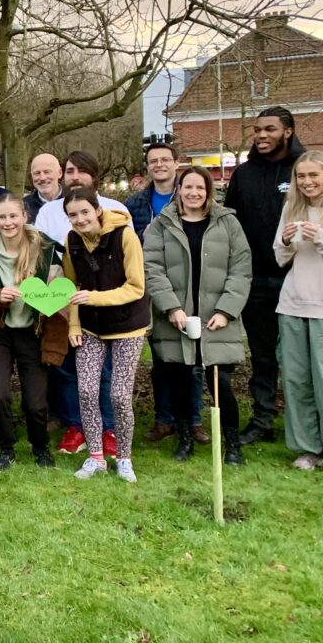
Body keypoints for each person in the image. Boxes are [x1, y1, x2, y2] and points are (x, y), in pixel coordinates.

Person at [144, 167, 250, 465]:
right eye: (187, 187)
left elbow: (241, 269)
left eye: (199, 188)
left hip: (217, 318)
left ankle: (232, 444)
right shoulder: (162, 225)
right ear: (178, 189)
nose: (193, 193)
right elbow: (152, 268)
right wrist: (171, 307)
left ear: (209, 191)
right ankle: (185, 438)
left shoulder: (228, 223)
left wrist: (227, 310)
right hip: (177, 317)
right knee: (179, 380)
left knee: (222, 384)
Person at [0, 194, 65, 470]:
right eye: (2, 217)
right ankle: (6, 447)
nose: (8, 222)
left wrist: (45, 304)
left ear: (24, 217)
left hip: (33, 332)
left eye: (13, 216)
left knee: (35, 401)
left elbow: (60, 294)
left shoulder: (45, 248)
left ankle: (40, 445)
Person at [225, 106, 306, 446]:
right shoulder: (243, 174)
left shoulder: (304, 170)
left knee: (301, 356)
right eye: (257, 129)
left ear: (287, 131)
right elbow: (231, 222)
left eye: (269, 129)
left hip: (300, 278)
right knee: (261, 355)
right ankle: (262, 419)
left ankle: (304, 424)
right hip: (256, 279)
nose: (261, 135)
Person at [34, 151, 124, 456]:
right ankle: (77, 426)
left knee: (105, 371)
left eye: (81, 171)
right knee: (69, 369)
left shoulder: (116, 210)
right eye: (69, 171)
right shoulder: (48, 212)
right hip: (63, 300)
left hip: (106, 303)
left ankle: (109, 428)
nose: (75, 176)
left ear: (93, 176)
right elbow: (45, 257)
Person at [62, 188, 149, 483]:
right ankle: (96, 456)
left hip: (128, 325)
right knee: (86, 391)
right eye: (72, 215)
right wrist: (73, 326)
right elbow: (70, 288)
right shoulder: (71, 241)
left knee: (119, 396)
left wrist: (95, 298)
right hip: (89, 327)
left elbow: (136, 286)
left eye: (84, 211)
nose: (79, 219)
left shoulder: (125, 236)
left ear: (97, 210)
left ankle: (124, 457)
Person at [125, 144, 207, 445]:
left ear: (176, 163)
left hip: (188, 284)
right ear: (147, 166)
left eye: (165, 160)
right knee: (161, 358)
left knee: (193, 356)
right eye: (153, 161)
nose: (159, 165)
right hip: (150, 285)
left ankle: (194, 420)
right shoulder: (136, 202)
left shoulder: (189, 194)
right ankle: (164, 419)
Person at [274, 151, 323, 470]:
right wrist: (289, 241)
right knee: (297, 380)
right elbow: (279, 256)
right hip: (292, 303)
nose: (307, 182)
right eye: (301, 176)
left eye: (313, 175)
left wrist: (319, 238)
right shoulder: (292, 208)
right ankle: (308, 448)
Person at [23, 153, 63, 223]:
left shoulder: (74, 202)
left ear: (60, 173)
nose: (42, 178)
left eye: (47, 172)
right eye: (37, 173)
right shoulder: (23, 206)